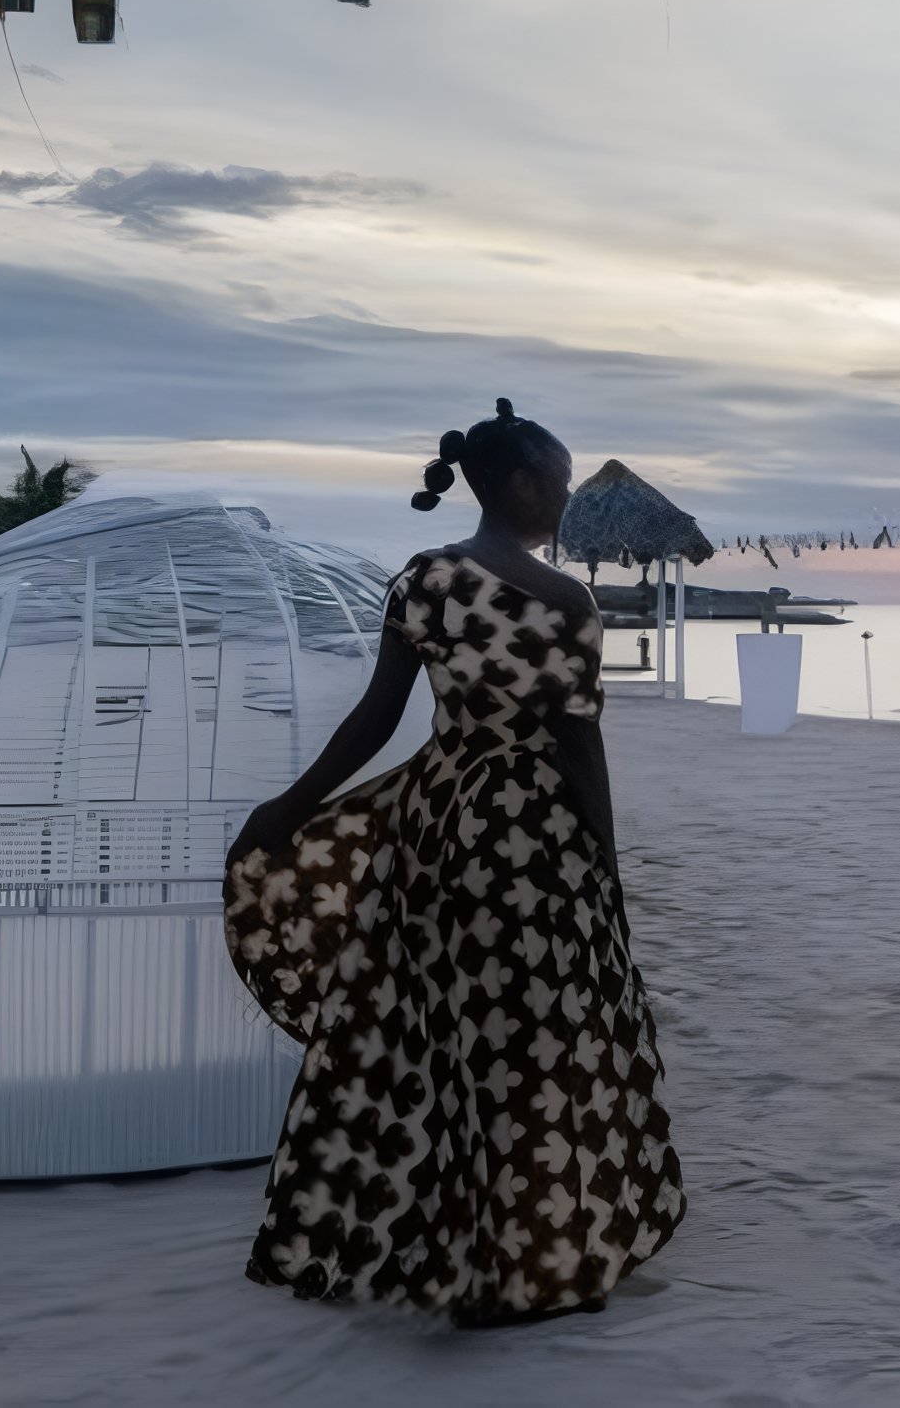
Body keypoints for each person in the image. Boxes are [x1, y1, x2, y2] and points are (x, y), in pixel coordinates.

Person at [223, 399, 684, 1327]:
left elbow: (376, 718)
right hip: (530, 840)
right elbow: (577, 745)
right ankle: (526, 1262)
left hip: (437, 828)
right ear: (518, 483)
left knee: (443, 1041)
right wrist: (605, 858)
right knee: (544, 1040)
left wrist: (288, 809)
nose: (564, 494)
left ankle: (435, 1241)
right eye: (557, 479)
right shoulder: (565, 603)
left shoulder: (423, 581)